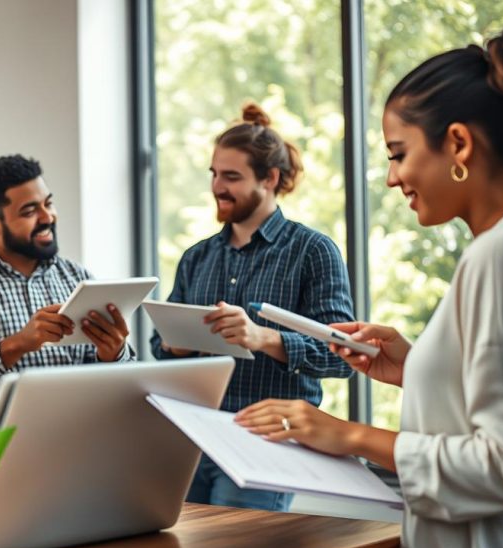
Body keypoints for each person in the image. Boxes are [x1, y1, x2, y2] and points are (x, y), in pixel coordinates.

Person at [236, 20, 503, 548]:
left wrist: (346, 433)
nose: (390, 178)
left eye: (398, 153)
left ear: (458, 143)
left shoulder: (502, 257)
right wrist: (414, 368)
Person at [151, 104, 354, 512]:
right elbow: (161, 350)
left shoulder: (312, 251)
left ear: (270, 178)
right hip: (196, 441)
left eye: (231, 177)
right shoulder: (197, 257)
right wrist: (177, 341)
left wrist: (262, 337)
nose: (217, 186)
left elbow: (342, 358)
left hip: (265, 444)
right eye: (213, 174)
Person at [0, 155, 133, 430]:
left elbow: (121, 385)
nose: (47, 217)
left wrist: (113, 354)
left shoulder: (78, 278)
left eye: (48, 203)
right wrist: (17, 344)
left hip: (78, 443)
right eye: (29, 211)